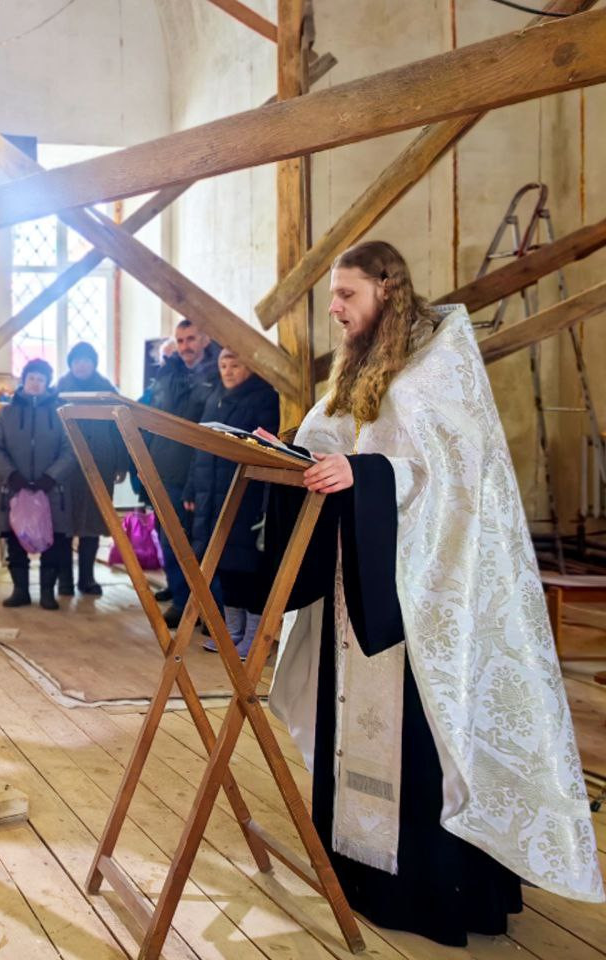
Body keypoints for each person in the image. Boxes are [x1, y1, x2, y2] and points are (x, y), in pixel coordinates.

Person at [262, 240, 603, 945]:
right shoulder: (358, 363)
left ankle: (428, 895)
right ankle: (357, 875)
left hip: (421, 592)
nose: (335, 309)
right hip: (360, 578)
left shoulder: (438, 363)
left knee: (422, 739)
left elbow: (453, 475)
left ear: (387, 287)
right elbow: (338, 438)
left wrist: (365, 475)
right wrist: (292, 452)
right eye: (332, 296)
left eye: (346, 294)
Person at [183, 347, 278, 657]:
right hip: (212, 496)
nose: (228, 370)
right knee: (224, 565)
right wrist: (191, 489)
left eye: (234, 364)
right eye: (223, 364)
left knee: (248, 566)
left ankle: (254, 637)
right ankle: (233, 631)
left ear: (249, 366)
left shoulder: (263, 398)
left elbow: (264, 448)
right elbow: (200, 448)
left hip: (245, 495)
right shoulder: (215, 398)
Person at [145, 318, 221, 627]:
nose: (185, 346)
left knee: (198, 543)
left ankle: (204, 605)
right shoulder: (169, 373)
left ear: (205, 340)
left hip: (197, 471)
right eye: (180, 340)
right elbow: (154, 416)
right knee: (170, 540)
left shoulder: (217, 375)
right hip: (164, 468)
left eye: (191, 339)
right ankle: (181, 599)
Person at [0, 358, 77, 610]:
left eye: (41, 379)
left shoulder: (60, 414)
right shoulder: (7, 414)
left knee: (53, 541)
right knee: (16, 540)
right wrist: (12, 475)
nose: (35, 383)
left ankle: (47, 593)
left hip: (52, 490)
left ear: (47, 383)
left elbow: (71, 450)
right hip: (14, 489)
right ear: (23, 381)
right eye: (31, 378)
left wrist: (51, 477)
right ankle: (20, 591)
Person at [54, 342, 129, 595]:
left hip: (100, 464)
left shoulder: (107, 391)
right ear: (70, 364)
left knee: (92, 523)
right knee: (64, 524)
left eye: (86, 360)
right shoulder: (58, 390)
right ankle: (64, 579)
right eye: (77, 360)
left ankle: (87, 579)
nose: (81, 365)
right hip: (65, 467)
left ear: (94, 363)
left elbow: (120, 430)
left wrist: (121, 463)